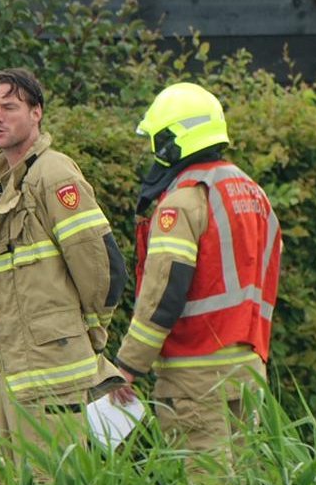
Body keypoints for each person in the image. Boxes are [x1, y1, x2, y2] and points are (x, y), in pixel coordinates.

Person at [113, 82, 281, 463]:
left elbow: (164, 293)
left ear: (173, 140)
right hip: (248, 370)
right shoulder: (252, 192)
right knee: (244, 483)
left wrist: (128, 365)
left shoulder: (183, 200)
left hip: (194, 376)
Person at [0, 67, 126, 468]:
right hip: (9, 368)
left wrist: (91, 330)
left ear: (36, 113)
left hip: (55, 369)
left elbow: (103, 266)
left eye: (9, 106)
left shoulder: (53, 173)